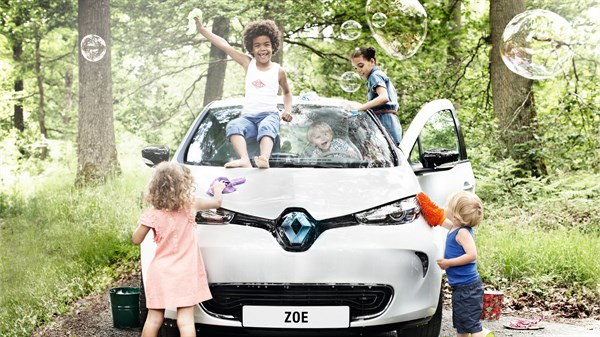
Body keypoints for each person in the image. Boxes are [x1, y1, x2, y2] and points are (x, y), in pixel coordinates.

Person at [132, 162, 226, 337]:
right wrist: (218, 188)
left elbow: (136, 240)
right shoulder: (190, 205)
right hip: (185, 272)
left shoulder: (152, 215)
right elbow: (217, 202)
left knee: (153, 319)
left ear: (155, 188)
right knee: (185, 320)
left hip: (160, 272)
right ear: (183, 185)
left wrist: (146, 222)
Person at [195, 17, 293, 168]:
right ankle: (244, 159)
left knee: (266, 127)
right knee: (233, 126)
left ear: (273, 46)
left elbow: (286, 93)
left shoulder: (278, 71)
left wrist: (287, 110)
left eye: (266, 44)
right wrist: (202, 30)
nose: (262, 49)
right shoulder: (248, 63)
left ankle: (264, 159)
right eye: (257, 45)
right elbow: (224, 45)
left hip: (269, 114)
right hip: (248, 117)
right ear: (251, 49)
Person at [417, 191, 485, 337]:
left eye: (448, 206)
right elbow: (440, 219)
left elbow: (472, 255)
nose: (444, 207)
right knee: (462, 325)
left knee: (472, 325)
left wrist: (449, 263)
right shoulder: (455, 226)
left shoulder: (463, 233)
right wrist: (424, 204)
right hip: (461, 288)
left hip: (468, 289)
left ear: (456, 215)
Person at [345, 46, 403, 145]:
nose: (358, 70)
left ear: (372, 62)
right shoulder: (378, 75)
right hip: (390, 120)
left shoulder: (374, 75)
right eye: (355, 68)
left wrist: (359, 108)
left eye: (361, 65)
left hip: (385, 121)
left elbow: (384, 98)